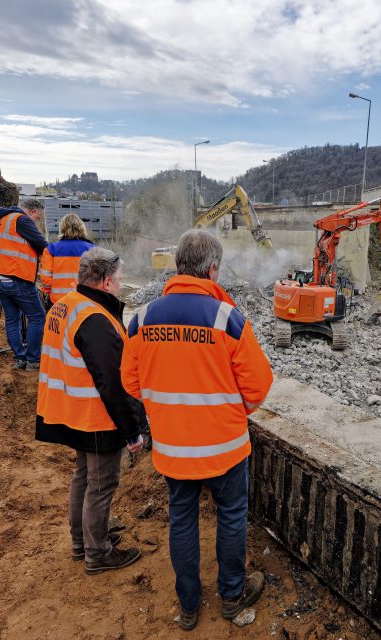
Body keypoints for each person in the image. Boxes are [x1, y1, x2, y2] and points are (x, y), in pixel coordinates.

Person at [122, 230, 274, 630]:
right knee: (232, 516)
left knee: (183, 519)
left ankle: (188, 606)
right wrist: (228, 411)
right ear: (212, 269)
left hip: (173, 448)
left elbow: (131, 383)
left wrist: (166, 408)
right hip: (224, 447)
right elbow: (258, 388)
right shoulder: (228, 319)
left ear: (177, 267)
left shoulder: (143, 318)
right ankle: (231, 595)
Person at [36, 247, 147, 574]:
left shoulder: (66, 305)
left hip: (71, 411)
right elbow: (113, 384)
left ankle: (80, 541)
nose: (121, 285)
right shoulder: (96, 319)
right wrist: (132, 431)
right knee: (100, 485)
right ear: (106, 281)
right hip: (95, 417)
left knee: (83, 478)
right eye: (120, 280)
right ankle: (97, 553)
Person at [0, 205, 48, 370]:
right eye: (38, 218)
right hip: (17, 277)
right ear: (32, 211)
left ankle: (20, 358)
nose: (36, 222)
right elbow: (43, 246)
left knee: (12, 319)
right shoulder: (22, 220)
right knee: (37, 317)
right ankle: (33, 360)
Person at [39, 213, 97, 304]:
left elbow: (46, 278)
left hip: (59, 301)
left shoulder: (51, 249)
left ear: (63, 228)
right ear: (81, 227)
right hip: (85, 300)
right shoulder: (92, 249)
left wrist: (47, 291)